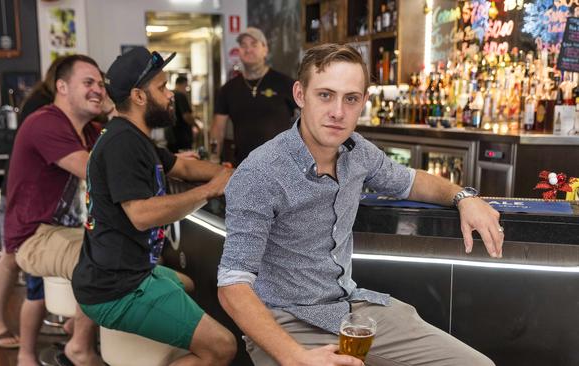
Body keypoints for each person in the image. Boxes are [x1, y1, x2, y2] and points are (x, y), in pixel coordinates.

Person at [217, 44, 503, 366]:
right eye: (325, 95)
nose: (338, 111)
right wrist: (296, 357)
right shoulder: (260, 171)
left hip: (352, 310)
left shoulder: (358, 151)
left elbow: (412, 180)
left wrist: (464, 197)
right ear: (300, 95)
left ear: (363, 102)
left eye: (350, 99)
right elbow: (233, 284)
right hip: (286, 324)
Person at [71, 46, 236, 366]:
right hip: (117, 288)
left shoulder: (135, 137)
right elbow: (142, 215)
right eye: (161, 88)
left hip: (125, 273)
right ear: (139, 96)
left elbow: (183, 168)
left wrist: (231, 173)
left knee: (187, 283)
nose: (170, 94)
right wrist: (211, 190)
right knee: (222, 347)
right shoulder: (123, 144)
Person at [0, 54, 107, 366]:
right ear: (61, 86)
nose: (98, 89)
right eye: (88, 82)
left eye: (101, 83)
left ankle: (76, 326)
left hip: (64, 228)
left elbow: (118, 151)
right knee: (40, 293)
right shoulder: (45, 122)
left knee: (108, 252)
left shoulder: (87, 129)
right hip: (33, 231)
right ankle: (37, 353)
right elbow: (93, 170)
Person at [0, 55, 68, 350]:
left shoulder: (45, 102)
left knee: (18, 258)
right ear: (62, 83)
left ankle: (64, 320)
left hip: (31, 194)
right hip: (22, 194)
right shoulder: (44, 108)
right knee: (10, 257)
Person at [210, 27, 297, 166]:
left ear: (265, 49)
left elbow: (309, 116)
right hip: (243, 167)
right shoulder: (228, 89)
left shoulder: (285, 83)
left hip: (281, 167)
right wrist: (213, 160)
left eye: (254, 44)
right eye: (243, 45)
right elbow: (217, 129)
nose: (248, 49)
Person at [168, 75, 198, 153]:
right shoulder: (180, 95)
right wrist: (196, 125)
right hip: (182, 136)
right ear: (183, 84)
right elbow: (186, 116)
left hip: (172, 136)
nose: (186, 89)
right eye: (186, 86)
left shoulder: (171, 95)